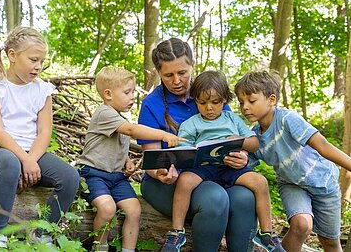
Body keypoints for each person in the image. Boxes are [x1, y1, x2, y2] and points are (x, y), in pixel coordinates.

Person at [137, 38, 258, 252]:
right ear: (158, 73)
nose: (177, 81)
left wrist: (241, 157)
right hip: (166, 183)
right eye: (168, 75)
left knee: (244, 197)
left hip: (217, 173)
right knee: (214, 198)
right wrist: (161, 172)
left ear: (192, 64)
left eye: (182, 72)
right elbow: (152, 160)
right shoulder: (152, 105)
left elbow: (235, 137)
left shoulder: (210, 92)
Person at [0, 26, 80, 247]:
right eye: (34, 60)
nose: (38, 66)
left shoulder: (42, 90)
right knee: (10, 162)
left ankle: (43, 232)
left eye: (42, 61)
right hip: (0, 151)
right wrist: (23, 161)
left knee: (70, 176)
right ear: (12, 55)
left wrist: (31, 160)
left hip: (34, 152)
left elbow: (44, 132)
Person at [165, 70, 285, 252]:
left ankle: (267, 234)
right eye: (202, 103)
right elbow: (184, 151)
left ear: (224, 100)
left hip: (231, 167)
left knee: (260, 182)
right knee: (185, 180)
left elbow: (254, 143)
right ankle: (176, 233)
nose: (209, 108)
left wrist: (238, 140)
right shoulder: (191, 123)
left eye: (215, 102)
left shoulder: (232, 119)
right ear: (195, 100)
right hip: (203, 168)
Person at [235, 70, 351, 252]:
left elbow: (322, 145)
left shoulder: (287, 119)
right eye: (241, 102)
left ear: (271, 99)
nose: (245, 107)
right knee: (301, 225)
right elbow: (244, 163)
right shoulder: (254, 137)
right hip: (292, 184)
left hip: (323, 183)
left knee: (329, 241)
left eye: (251, 100)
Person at [77, 66, 186, 252]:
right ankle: (100, 247)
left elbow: (115, 144)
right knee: (107, 208)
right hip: (94, 174)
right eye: (127, 92)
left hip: (116, 177)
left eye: (133, 92)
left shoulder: (118, 118)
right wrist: (163, 134)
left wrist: (126, 160)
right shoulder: (104, 113)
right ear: (108, 94)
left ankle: (128, 249)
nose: (132, 97)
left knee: (134, 210)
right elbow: (131, 130)